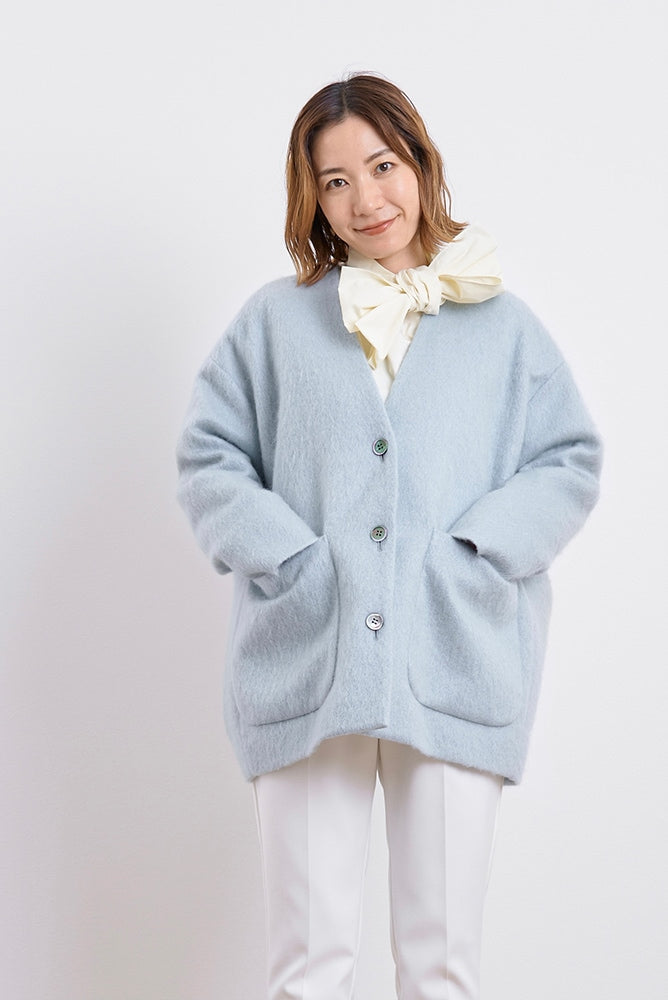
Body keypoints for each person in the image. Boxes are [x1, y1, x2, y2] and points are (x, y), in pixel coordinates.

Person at [176, 74, 602, 1000]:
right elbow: (209, 455)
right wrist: (292, 559)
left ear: (420, 163)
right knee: (309, 966)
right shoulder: (275, 321)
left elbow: (568, 459)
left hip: (453, 658)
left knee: (441, 967)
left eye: (381, 166)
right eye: (335, 181)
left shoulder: (502, 326)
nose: (365, 199)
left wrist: (474, 557)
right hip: (307, 658)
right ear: (312, 199)